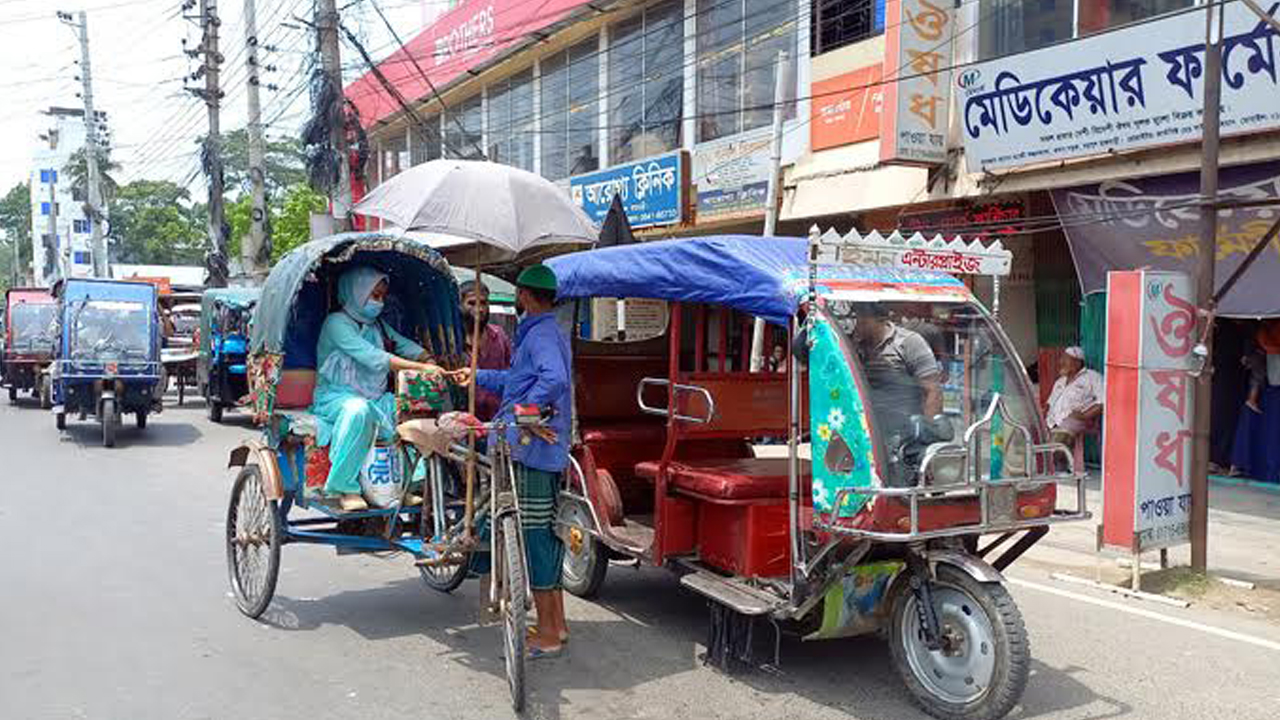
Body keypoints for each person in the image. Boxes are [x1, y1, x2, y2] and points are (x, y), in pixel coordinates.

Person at [462, 263, 572, 658]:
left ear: (524, 296)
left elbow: (553, 380)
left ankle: (544, 631)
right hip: (536, 447)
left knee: (534, 538)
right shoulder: (544, 332)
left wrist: (527, 409)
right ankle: (556, 625)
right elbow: (517, 379)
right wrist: (476, 376)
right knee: (544, 533)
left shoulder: (541, 333)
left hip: (530, 448)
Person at [310, 266, 452, 512]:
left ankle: (406, 485)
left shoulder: (378, 326)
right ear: (356, 293)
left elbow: (406, 346)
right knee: (358, 411)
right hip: (335, 398)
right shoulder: (336, 324)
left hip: (374, 398)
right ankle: (345, 487)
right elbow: (374, 357)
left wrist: (428, 360)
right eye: (374, 295)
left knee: (408, 411)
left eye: (382, 297)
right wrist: (421, 368)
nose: (379, 302)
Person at [852, 303, 943, 440]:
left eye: (863, 321)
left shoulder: (909, 343)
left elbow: (933, 390)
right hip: (869, 430)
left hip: (905, 431)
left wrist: (928, 432)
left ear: (880, 319)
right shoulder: (857, 345)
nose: (858, 325)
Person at [459, 279, 512, 421]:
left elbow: (512, 374)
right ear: (460, 305)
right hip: (465, 422)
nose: (479, 309)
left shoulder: (499, 336)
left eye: (483, 303)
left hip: (498, 418)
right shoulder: (453, 342)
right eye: (471, 303)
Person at [1044, 346, 1103, 447]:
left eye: (1066, 360)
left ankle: (1054, 458)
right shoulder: (1060, 381)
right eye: (1062, 359)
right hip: (1052, 421)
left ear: (1077, 362)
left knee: (1057, 443)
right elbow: (1049, 403)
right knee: (1026, 435)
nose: (1061, 362)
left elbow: (1104, 400)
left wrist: (1085, 415)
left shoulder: (1092, 377)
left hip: (1074, 420)